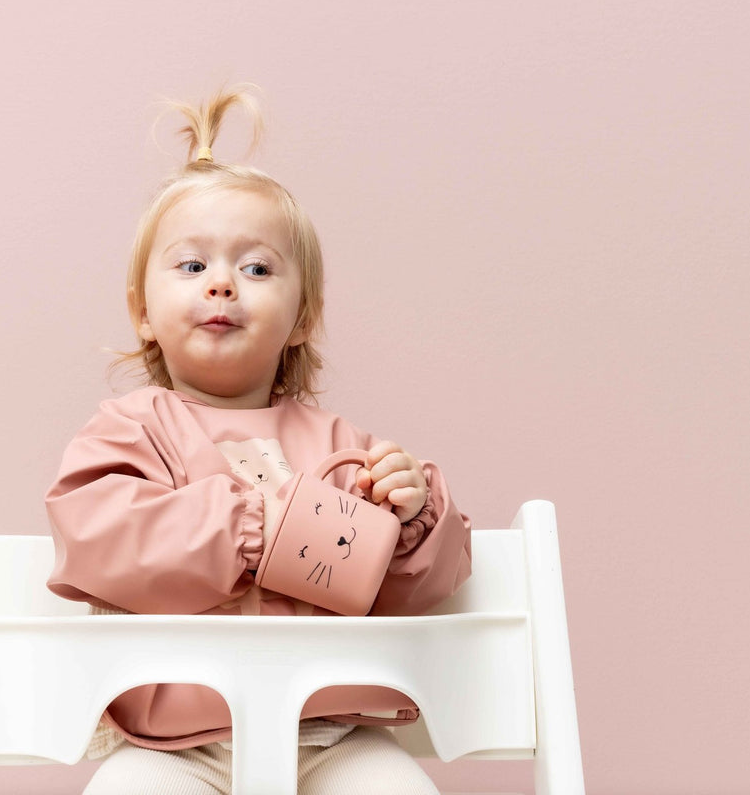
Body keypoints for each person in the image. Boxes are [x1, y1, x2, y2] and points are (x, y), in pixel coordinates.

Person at [45, 84, 471, 795]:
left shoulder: (339, 442)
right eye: (192, 266)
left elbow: (413, 588)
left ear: (302, 318)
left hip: (330, 733)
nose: (222, 285)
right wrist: (255, 528)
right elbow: (97, 533)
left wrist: (412, 520)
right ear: (142, 312)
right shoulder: (131, 428)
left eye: (257, 268)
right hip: (177, 741)